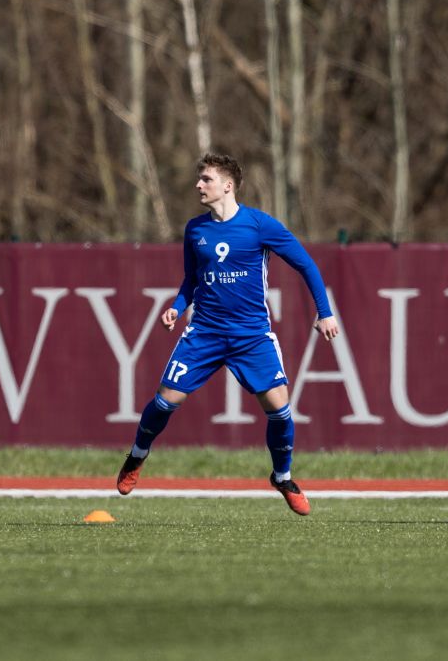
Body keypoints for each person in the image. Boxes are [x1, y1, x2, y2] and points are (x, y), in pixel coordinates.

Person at [115, 153, 340, 515]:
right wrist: (177, 306)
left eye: (206, 179)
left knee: (281, 411)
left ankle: (282, 477)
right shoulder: (195, 230)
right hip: (204, 332)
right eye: (199, 179)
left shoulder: (259, 225)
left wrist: (325, 312)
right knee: (164, 401)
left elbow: (306, 264)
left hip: (251, 336)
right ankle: (137, 456)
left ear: (227, 185)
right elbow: (191, 280)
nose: (198, 186)